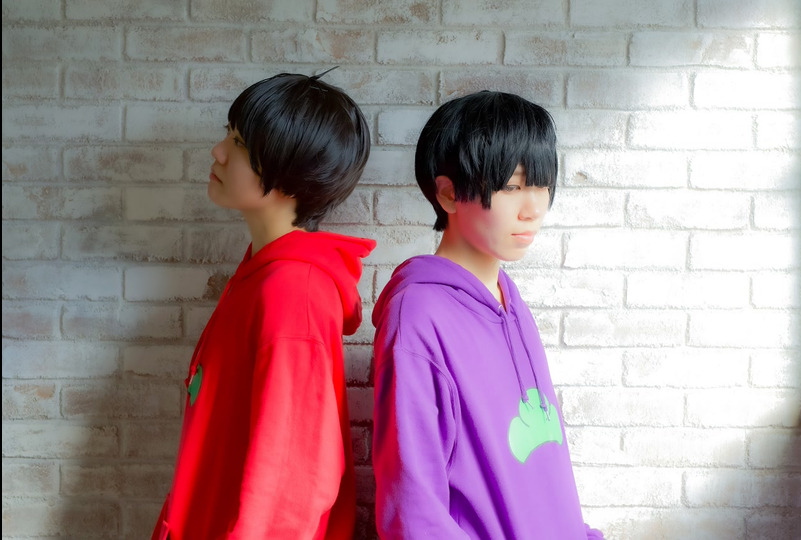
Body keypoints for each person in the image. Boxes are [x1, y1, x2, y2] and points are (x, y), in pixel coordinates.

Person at [151, 68, 376, 540]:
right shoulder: (264, 272)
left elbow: (294, 481)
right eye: (228, 134)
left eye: (238, 143)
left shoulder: (293, 291)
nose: (218, 151)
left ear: (290, 174)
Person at [371, 90, 603, 539]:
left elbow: (545, 476)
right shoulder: (418, 317)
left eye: (541, 184)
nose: (534, 208)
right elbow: (414, 513)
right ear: (448, 194)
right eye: (511, 187)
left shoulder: (509, 300)